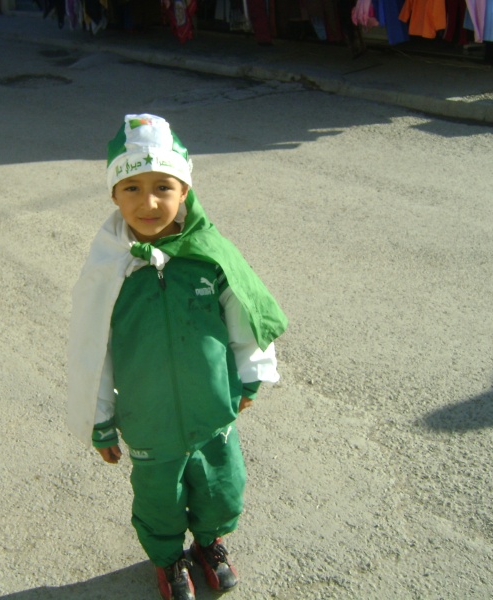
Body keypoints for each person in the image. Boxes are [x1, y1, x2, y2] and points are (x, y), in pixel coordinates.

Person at [66, 114, 287, 600]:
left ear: (183, 190)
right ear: (113, 195)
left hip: (212, 412)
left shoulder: (209, 256)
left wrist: (248, 379)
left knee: (221, 488)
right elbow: (91, 349)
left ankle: (211, 543)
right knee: (159, 501)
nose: (148, 202)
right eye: (131, 188)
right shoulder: (110, 269)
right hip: (149, 422)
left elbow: (245, 318)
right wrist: (99, 419)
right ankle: (168, 560)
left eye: (163, 187)